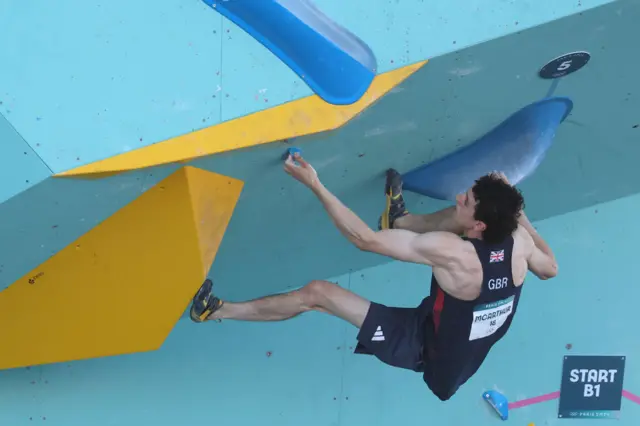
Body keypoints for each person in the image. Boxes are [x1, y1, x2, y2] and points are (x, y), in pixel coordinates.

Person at [188, 152, 558, 400]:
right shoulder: (518, 240)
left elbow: (363, 239)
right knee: (451, 227)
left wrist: (315, 183)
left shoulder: (455, 254)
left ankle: (215, 311)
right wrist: (517, 212)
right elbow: (551, 268)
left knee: (319, 293)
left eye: (468, 200)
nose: (459, 196)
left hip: (426, 352)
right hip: (449, 329)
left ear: (482, 223)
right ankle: (401, 221)